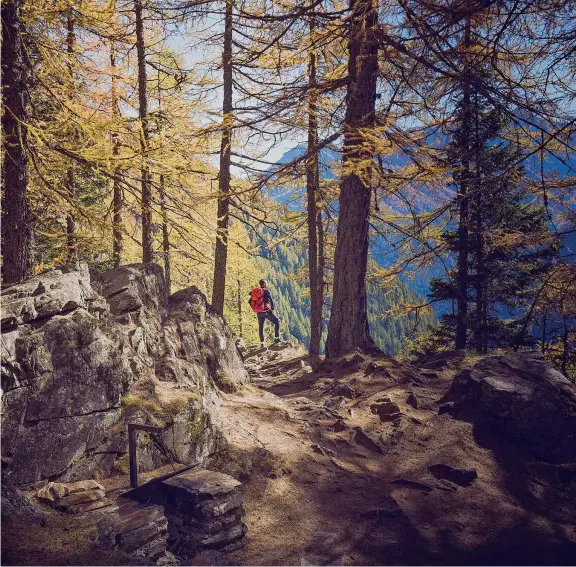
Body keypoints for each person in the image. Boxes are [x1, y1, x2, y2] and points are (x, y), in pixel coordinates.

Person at [249, 279, 283, 348]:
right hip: (266, 311)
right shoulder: (266, 291)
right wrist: (272, 309)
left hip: (259, 312)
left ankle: (262, 343)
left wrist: (255, 308)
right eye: (266, 283)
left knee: (261, 326)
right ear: (264, 284)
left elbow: (250, 301)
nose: (267, 284)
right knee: (277, 321)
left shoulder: (255, 292)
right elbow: (271, 300)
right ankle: (277, 338)